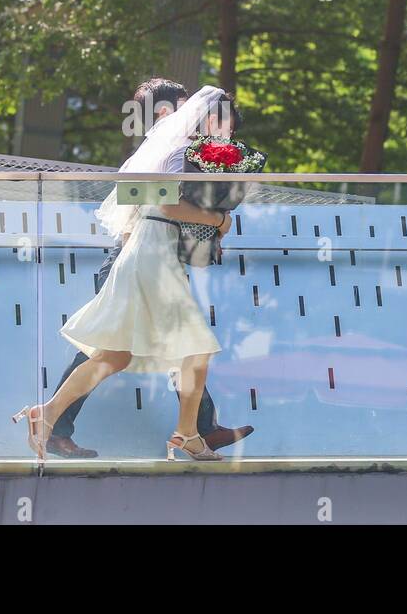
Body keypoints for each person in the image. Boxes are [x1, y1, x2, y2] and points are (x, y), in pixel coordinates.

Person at [15, 83, 249, 461]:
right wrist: (218, 219)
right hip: (148, 254)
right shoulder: (177, 149)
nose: (228, 134)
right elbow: (163, 202)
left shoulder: (168, 149)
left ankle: (47, 415)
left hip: (150, 253)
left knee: (115, 355)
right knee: (194, 348)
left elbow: (147, 199)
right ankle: (189, 433)